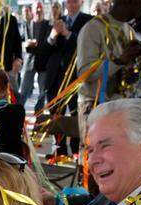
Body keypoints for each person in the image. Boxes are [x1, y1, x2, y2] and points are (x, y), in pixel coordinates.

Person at [75, 0, 141, 149]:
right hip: (94, 105)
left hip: (120, 106)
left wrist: (132, 75)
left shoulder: (129, 30)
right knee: (93, 160)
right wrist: (120, 61)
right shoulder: (93, 28)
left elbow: (130, 69)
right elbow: (85, 74)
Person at [46, 0, 94, 155]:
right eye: (68, 1)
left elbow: (85, 46)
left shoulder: (88, 20)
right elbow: (47, 46)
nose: (71, 4)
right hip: (56, 75)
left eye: (74, 1)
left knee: (76, 114)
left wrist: (68, 34)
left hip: (75, 77)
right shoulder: (60, 20)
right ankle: (58, 150)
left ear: (81, 2)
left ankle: (75, 150)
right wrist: (53, 35)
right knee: (55, 114)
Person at [22, 1, 53, 112]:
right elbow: (22, 40)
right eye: (37, 8)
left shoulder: (48, 24)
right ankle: (19, 112)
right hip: (29, 62)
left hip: (43, 62)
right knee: (24, 90)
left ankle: (38, 113)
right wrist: (26, 44)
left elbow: (49, 43)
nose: (39, 10)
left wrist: (38, 45)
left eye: (40, 8)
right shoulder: (27, 24)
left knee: (42, 92)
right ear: (33, 10)